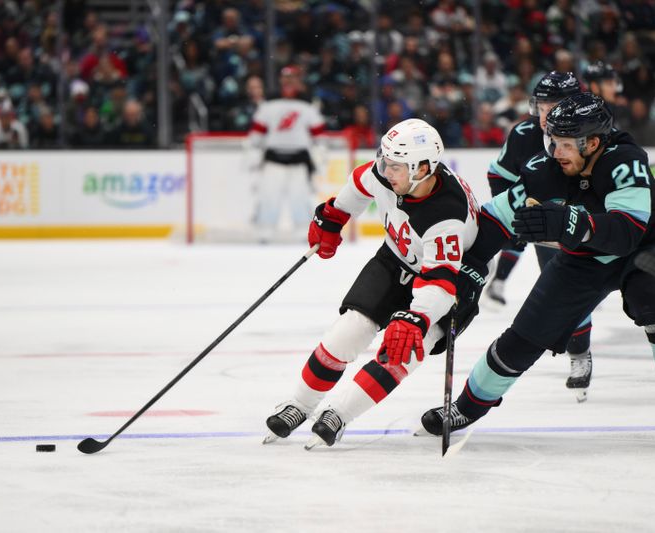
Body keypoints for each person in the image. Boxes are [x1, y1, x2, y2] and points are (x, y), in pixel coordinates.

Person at [419, 93, 655, 444]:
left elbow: (626, 233)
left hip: (652, 247)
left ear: (593, 143)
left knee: (649, 297)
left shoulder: (625, 160)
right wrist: (468, 271)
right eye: (552, 142)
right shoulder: (545, 170)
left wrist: (569, 223)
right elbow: (493, 220)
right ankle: (466, 408)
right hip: (586, 257)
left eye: (564, 144)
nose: (555, 152)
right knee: (526, 334)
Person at [264, 118, 483, 449]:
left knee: (402, 352)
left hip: (452, 280)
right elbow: (358, 184)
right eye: (385, 161)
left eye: (396, 166)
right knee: (349, 329)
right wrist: (334, 215)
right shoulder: (388, 173)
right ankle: (299, 404)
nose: (385, 170)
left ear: (423, 168)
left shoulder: (446, 215)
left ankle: (338, 414)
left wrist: (418, 316)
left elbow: (439, 278)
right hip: (395, 258)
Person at [484, 71, 596, 400]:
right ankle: (579, 355)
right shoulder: (523, 134)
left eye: (555, 106)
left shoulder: (591, 134)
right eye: (542, 106)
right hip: (549, 227)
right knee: (566, 291)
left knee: (642, 294)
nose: (546, 113)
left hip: (587, 225)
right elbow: (498, 175)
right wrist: (517, 212)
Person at [250, 66, 327, 242]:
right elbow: (256, 135)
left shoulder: (308, 105)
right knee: (269, 196)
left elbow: (319, 136)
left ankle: (302, 231)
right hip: (273, 159)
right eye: (286, 78)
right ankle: (265, 230)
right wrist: (254, 154)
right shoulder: (268, 105)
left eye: (292, 78)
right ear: (280, 80)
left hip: (299, 160)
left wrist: (320, 156)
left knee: (300, 197)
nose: (289, 82)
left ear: (299, 81)